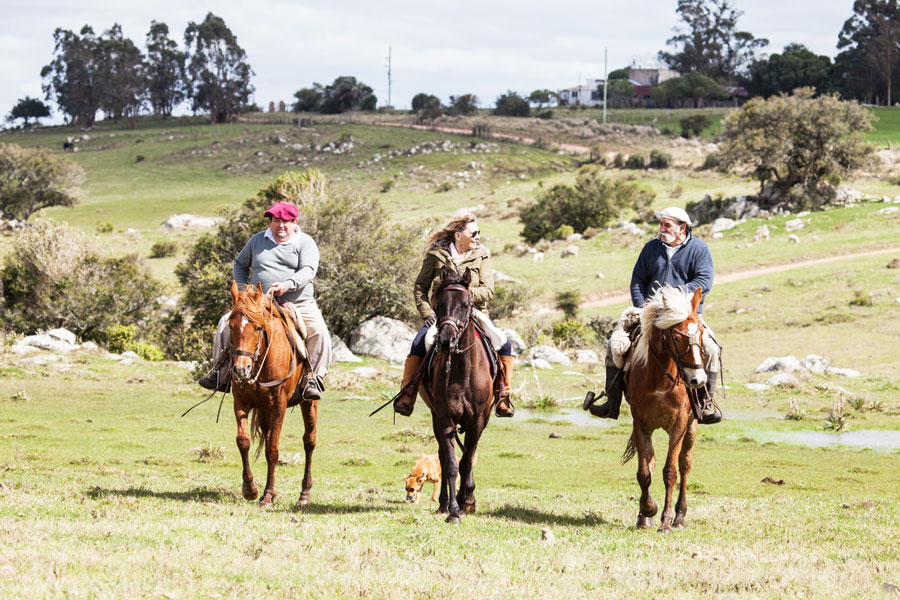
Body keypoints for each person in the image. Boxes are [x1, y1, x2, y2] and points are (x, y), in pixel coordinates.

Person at [586, 206, 722, 424]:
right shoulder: (651, 248)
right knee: (616, 344)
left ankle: (705, 404)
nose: (661, 229)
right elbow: (638, 280)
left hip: (685, 316)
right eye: (661, 224)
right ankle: (611, 403)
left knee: (711, 349)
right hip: (649, 315)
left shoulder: (699, 249)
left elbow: (703, 281)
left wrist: (676, 296)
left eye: (667, 225)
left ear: (682, 228)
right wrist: (642, 309)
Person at [198, 201, 332, 402]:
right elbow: (240, 263)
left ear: (294, 222)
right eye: (277, 221)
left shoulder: (305, 242)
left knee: (319, 331)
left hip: (298, 302)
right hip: (259, 302)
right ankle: (221, 372)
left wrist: (286, 285)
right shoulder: (257, 241)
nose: (281, 226)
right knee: (226, 323)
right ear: (269, 222)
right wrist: (244, 290)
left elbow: (308, 271)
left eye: (286, 221)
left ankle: (313, 378)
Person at [393, 213, 515, 418]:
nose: (477, 237)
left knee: (504, 343)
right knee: (419, 343)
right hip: (444, 314)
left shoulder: (482, 255)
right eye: (473, 233)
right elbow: (420, 287)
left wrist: (462, 297)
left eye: (479, 233)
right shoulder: (436, 255)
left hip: (473, 311)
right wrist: (427, 313)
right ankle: (408, 392)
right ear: (458, 235)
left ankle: (503, 395)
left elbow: (488, 290)